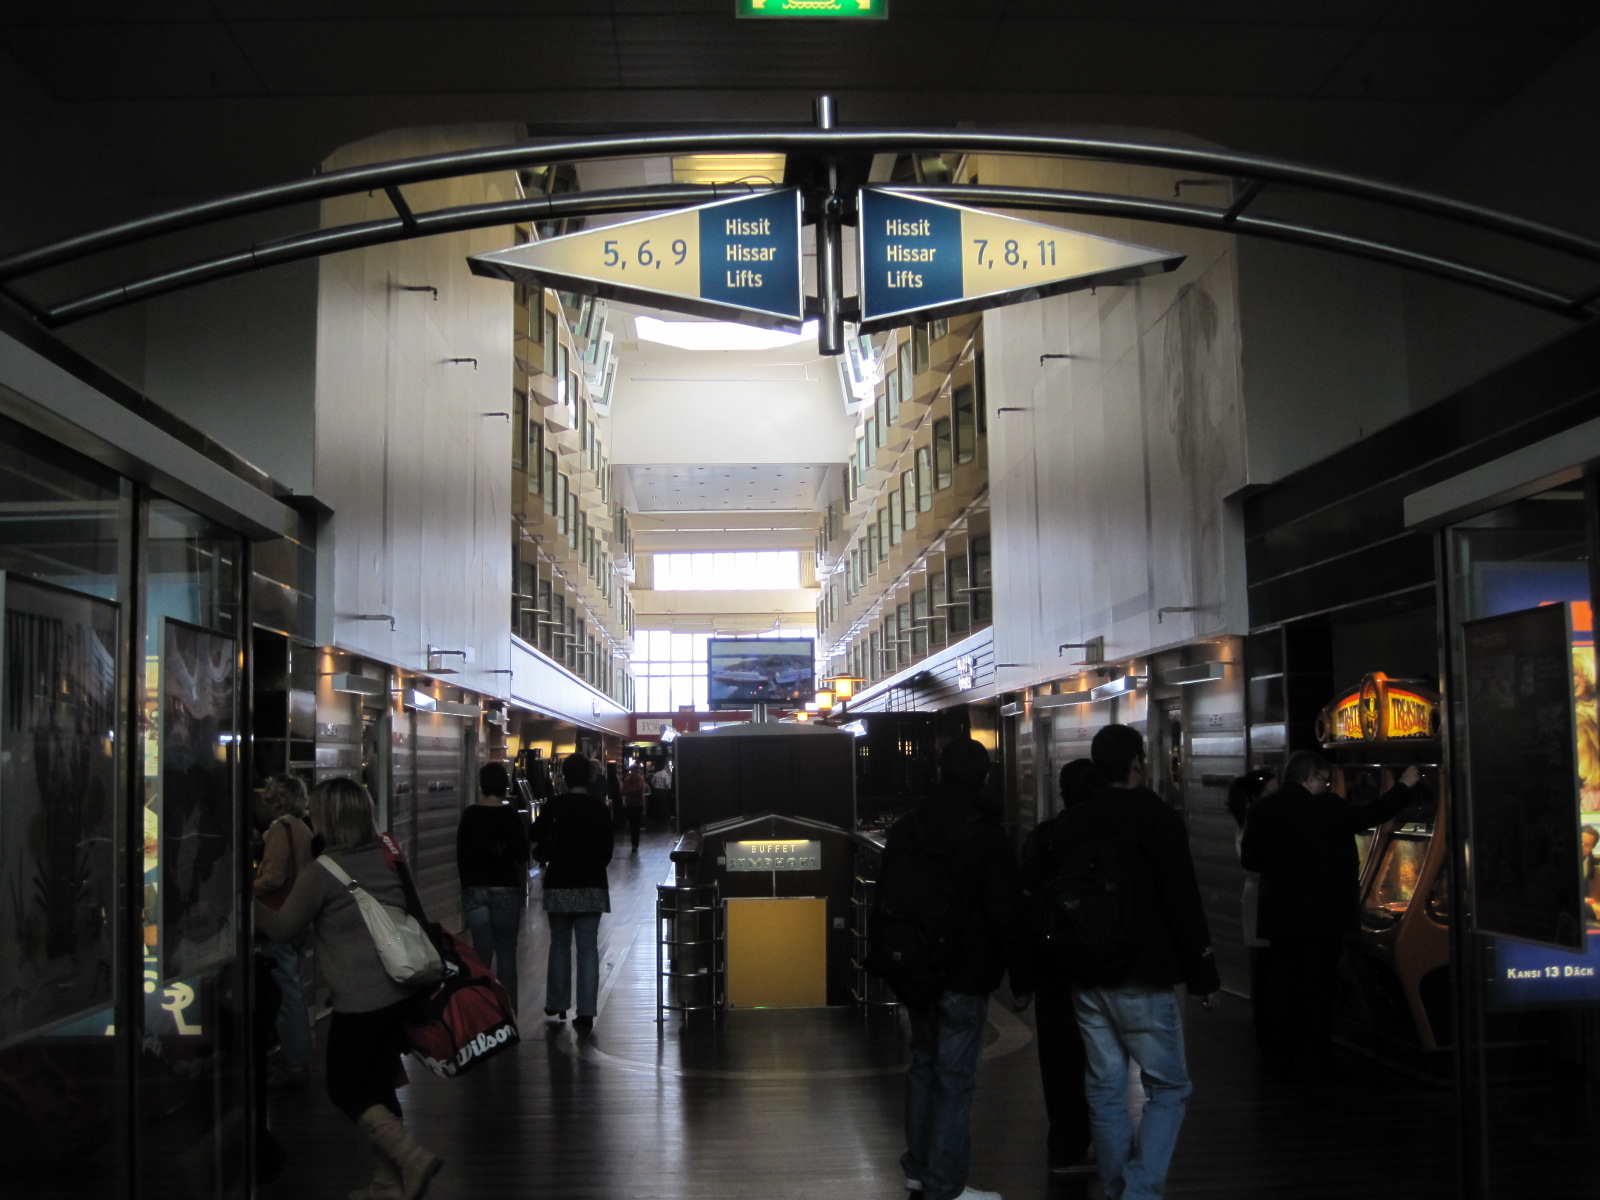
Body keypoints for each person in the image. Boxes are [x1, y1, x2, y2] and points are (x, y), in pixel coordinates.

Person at [254, 778, 444, 1200]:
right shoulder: (387, 854)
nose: (312, 818)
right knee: (378, 1086)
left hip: (361, 999)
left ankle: (409, 1156)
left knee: (344, 1086)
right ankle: (386, 1183)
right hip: (401, 991)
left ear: (329, 818)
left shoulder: (323, 872)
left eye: (317, 812)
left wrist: (244, 903)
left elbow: (284, 929)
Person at [1058, 724, 1221, 1200]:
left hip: (1088, 977)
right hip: (1145, 976)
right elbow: (1182, 901)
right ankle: (1140, 1191)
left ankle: (1116, 1189)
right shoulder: (1158, 819)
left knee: (1105, 1089)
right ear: (1135, 763)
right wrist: (1204, 975)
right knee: (1168, 1088)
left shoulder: (1075, 822)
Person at [883, 737, 1034, 1200]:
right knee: (955, 1079)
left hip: (916, 968)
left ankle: (919, 1167)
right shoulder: (987, 833)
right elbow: (1005, 911)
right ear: (983, 776)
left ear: (940, 772)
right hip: (966, 971)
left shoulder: (909, 828)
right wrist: (1021, 977)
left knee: (923, 1065)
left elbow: (888, 898)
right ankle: (945, 1185)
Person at [1240, 751, 1421, 1067]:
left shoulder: (1261, 810)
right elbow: (1371, 815)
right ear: (1309, 779)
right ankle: (1315, 1053)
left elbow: (1250, 861)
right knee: (1316, 990)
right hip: (1322, 918)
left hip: (1279, 918)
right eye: (1323, 780)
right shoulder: (1326, 808)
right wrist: (1404, 786)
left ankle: (1278, 1050)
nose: (1325, 786)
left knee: (1282, 985)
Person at [1019, 758, 1098, 1175]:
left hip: (1051, 964)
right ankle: (1105, 1139)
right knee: (1101, 1054)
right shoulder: (1104, 837)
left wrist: (1022, 975)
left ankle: (1065, 1144)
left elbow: (1026, 903)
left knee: (1058, 1057)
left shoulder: (1043, 838)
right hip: (1099, 964)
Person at [531, 752, 615, 1033]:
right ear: (591, 777)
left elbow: (535, 834)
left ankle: (557, 1003)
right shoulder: (599, 809)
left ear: (564, 777)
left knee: (559, 943)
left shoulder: (555, 805)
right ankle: (587, 1011)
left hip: (560, 882)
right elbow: (607, 852)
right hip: (591, 883)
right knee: (588, 948)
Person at [252, 773, 316, 1090]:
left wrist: (244, 889)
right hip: (299, 914)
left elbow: (274, 878)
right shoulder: (303, 827)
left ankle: (295, 1059)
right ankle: (297, 1053)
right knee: (293, 986)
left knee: (285, 989)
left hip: (279, 917)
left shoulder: (281, 829)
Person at [456, 761, 531, 1013]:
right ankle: (508, 1011)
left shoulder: (469, 814)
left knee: (481, 950)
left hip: (475, 888)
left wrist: (466, 886)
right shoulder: (509, 814)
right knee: (507, 950)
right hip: (505, 887)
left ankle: (482, 1011)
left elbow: (461, 855)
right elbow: (522, 853)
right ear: (504, 784)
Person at [1226, 768, 1279, 1053]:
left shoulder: (1250, 821)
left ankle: (1266, 1024)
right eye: (1272, 792)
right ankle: (1266, 1025)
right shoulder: (1252, 823)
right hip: (1259, 896)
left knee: (1263, 963)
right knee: (1262, 965)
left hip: (1257, 896)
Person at [620, 764, 649, 853]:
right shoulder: (627, 780)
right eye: (630, 771)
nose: (631, 772)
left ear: (636, 771)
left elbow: (639, 790)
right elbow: (622, 791)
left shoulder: (640, 779)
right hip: (629, 805)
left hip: (637, 805)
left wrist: (628, 792)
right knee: (632, 825)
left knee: (636, 825)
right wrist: (632, 791)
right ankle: (634, 844)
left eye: (633, 770)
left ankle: (635, 844)